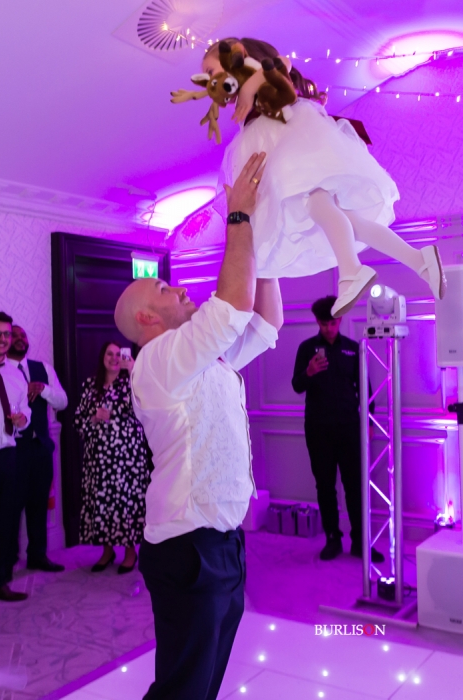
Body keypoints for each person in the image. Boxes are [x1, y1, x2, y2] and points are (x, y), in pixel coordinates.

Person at [114, 152, 282, 700]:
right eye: (166, 290)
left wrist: (267, 245)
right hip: (188, 545)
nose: (181, 289)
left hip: (221, 541)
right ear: (147, 318)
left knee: (201, 684)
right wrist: (239, 216)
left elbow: (265, 321)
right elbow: (231, 306)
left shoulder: (202, 359)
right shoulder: (157, 361)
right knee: (184, 688)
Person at [201, 38, 446, 317]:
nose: (208, 80)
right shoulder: (248, 92)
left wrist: (250, 88)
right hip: (285, 140)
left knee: (316, 202)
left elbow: (283, 63)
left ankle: (351, 272)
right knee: (350, 220)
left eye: (210, 71)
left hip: (289, 139)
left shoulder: (254, 72)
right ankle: (419, 260)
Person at [292, 295, 384, 562]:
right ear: (317, 322)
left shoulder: (353, 349)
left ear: (340, 320)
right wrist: (309, 372)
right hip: (318, 428)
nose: (328, 328)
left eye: (332, 323)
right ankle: (332, 538)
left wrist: (369, 422)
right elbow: (297, 385)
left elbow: (365, 388)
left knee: (355, 485)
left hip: (350, 427)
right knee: (325, 485)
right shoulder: (306, 349)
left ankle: (361, 541)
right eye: (323, 324)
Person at [74, 342, 150, 574]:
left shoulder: (133, 383)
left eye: (119, 354)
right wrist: (95, 419)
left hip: (126, 457)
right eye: (110, 353)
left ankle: (130, 552)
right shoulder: (90, 385)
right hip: (97, 458)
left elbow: (146, 409)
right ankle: (107, 551)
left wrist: (134, 371)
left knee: (124, 502)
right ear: (102, 357)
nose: (115, 358)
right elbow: (78, 421)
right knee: (101, 502)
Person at [7, 324, 68, 572]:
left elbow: (62, 402)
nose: (20, 338)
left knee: (39, 502)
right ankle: (7, 561)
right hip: (13, 450)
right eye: (14, 335)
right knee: (11, 506)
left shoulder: (43, 368)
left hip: (41, 446)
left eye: (23, 335)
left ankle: (37, 555)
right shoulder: (1, 371)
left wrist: (43, 389)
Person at [0, 312, 31, 602]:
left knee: (6, 519)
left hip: (7, 454)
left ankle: (1, 580)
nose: (3, 339)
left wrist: (23, 420)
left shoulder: (15, 375)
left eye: (6, 334)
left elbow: (25, 411)